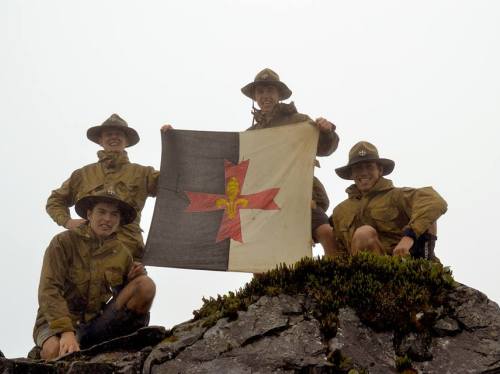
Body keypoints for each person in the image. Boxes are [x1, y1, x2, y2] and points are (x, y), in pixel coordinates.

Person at [33, 190, 156, 359]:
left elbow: (125, 298)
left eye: (114, 214)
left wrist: (134, 277)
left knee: (145, 284)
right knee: (56, 351)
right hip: (54, 323)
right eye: (102, 212)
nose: (107, 219)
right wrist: (66, 332)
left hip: (94, 325)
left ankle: (127, 343)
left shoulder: (122, 254)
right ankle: (43, 353)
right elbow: (49, 291)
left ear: (119, 220)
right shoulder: (63, 242)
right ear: (89, 214)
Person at [241, 68, 340, 256]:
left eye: (270, 90)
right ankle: (266, 286)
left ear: (279, 94)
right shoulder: (249, 136)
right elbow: (233, 164)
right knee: (260, 252)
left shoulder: (299, 122)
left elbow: (325, 148)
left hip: (300, 195)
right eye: (260, 92)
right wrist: (173, 137)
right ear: (254, 96)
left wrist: (327, 131)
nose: (265, 96)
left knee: (326, 232)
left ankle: (339, 278)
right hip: (265, 201)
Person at [46, 114, 163, 260]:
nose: (114, 137)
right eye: (109, 134)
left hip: (128, 253)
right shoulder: (83, 174)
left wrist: (173, 143)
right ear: (100, 141)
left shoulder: (144, 174)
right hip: (86, 253)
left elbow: (175, 183)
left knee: (143, 284)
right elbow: (55, 200)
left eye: (119, 134)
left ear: (126, 141)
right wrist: (67, 221)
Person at [330, 141, 447, 258]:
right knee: (362, 235)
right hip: (359, 272)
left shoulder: (397, 196)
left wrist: (409, 237)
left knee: (427, 216)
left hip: (402, 266)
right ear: (351, 174)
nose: (364, 172)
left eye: (369, 166)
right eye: (358, 168)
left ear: (380, 170)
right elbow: (339, 250)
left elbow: (434, 201)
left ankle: (425, 262)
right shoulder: (339, 212)